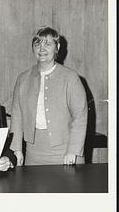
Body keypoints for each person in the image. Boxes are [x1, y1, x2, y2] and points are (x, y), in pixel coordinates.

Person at [10, 26, 88, 166]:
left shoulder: (70, 77)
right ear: (33, 48)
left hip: (66, 153)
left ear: (57, 47)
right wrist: (16, 149)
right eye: (37, 43)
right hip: (33, 154)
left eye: (48, 44)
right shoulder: (23, 78)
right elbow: (17, 116)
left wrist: (73, 151)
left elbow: (80, 116)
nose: (42, 48)